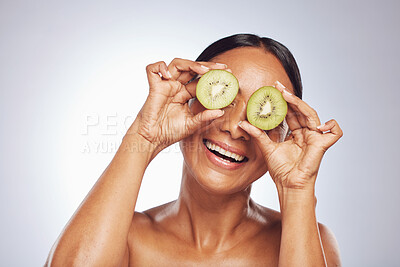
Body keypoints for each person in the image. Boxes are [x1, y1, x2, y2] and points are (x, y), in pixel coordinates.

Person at [46, 34, 343, 266]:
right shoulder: (126, 236)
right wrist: (145, 136)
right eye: (222, 96)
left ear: (287, 135)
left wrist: (297, 189)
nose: (234, 127)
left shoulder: (310, 241)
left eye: (261, 114)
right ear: (188, 97)